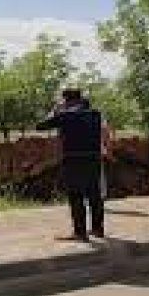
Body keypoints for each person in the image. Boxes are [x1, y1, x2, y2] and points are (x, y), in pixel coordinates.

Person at [36, 89, 105, 242]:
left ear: (66, 101)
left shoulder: (65, 116)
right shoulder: (95, 114)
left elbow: (39, 126)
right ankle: (98, 229)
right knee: (95, 195)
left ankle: (80, 232)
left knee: (76, 195)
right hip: (94, 158)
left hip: (73, 160)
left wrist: (55, 111)